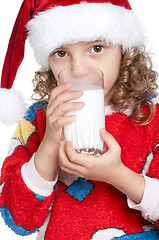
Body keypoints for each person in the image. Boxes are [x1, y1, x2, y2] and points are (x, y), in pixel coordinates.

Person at [0, 0, 159, 239]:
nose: (79, 68)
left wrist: (117, 175)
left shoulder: (151, 115)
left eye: (96, 48)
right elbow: (18, 220)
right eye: (61, 53)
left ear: (124, 50)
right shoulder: (38, 120)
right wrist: (50, 142)